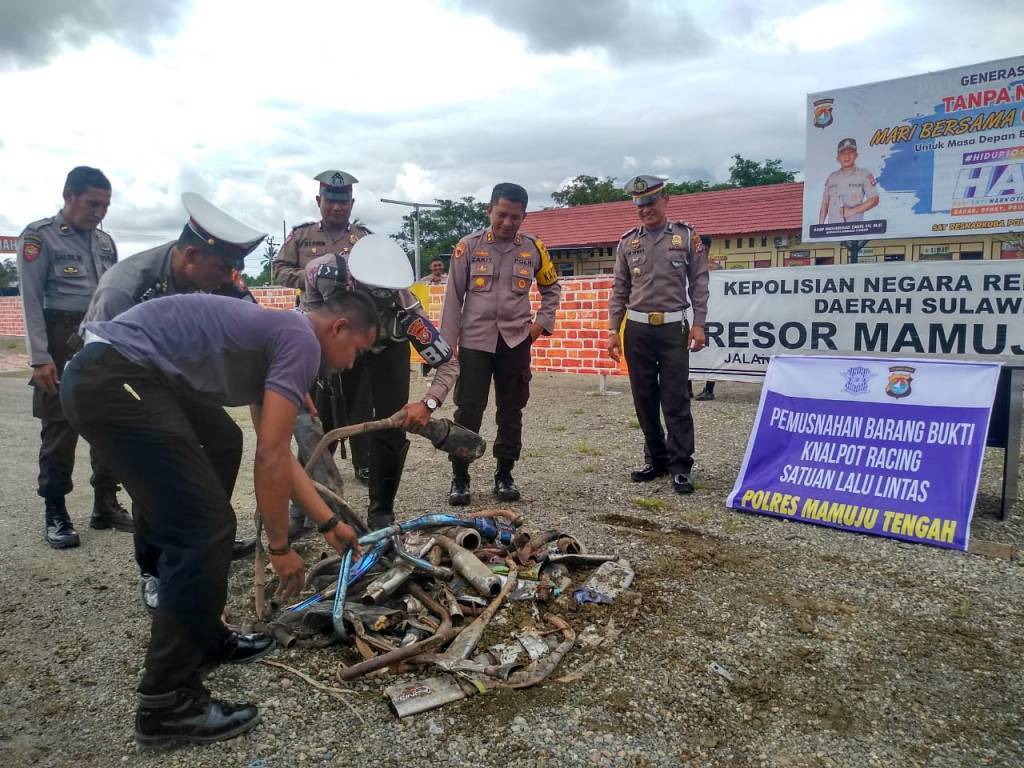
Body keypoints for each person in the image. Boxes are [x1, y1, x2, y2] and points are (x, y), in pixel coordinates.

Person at [60, 281, 374, 747]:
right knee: (206, 530)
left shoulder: (283, 337)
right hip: (113, 376)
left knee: (222, 442)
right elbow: (270, 456)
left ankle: (203, 634)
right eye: (356, 350)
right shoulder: (302, 339)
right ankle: (165, 705)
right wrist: (280, 549)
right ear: (339, 326)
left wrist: (328, 522)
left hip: (126, 373)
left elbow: (280, 455)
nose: (350, 363)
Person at [81, 193, 265, 613]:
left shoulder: (211, 277)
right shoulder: (125, 285)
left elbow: (248, 315)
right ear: (192, 255)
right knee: (156, 463)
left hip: (172, 375)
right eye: (221, 269)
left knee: (225, 439)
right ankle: (154, 565)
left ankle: (203, 532)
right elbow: (101, 358)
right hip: (120, 380)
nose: (225, 279)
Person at [302, 235, 459, 529]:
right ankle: (306, 506)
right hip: (338, 341)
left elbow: (448, 363)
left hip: (388, 349)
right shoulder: (322, 273)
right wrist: (308, 377)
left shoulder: (406, 311)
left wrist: (427, 404)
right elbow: (307, 325)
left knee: (394, 420)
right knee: (324, 420)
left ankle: (381, 511)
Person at [16, 166, 131, 549]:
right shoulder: (39, 237)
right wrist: (39, 357)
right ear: (69, 196)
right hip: (58, 341)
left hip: (100, 340)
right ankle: (55, 510)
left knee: (109, 424)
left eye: (106, 205)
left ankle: (105, 503)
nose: (99, 212)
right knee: (59, 429)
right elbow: (31, 301)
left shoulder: (105, 242)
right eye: (92, 203)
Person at [440, 182, 561, 505]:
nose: (508, 223)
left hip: (515, 341)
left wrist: (540, 325)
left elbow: (552, 289)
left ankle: (504, 474)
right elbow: (453, 297)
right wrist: (448, 344)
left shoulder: (533, 249)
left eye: (516, 217)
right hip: (475, 342)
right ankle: (460, 477)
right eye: (502, 215)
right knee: (468, 410)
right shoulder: (469, 246)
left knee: (511, 410)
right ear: (489, 210)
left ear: (524, 216)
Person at [273, 170, 373, 529]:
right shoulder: (302, 236)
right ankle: (304, 505)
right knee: (311, 422)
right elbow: (279, 270)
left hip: (351, 337)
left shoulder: (363, 238)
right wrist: (315, 275)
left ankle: (363, 466)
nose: (336, 206)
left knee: (361, 407)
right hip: (312, 336)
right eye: (330, 200)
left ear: (351, 204)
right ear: (319, 202)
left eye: (343, 200)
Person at [606, 175, 709, 495]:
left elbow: (699, 282)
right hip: (636, 330)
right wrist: (612, 330)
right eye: (640, 205)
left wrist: (699, 322)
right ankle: (656, 458)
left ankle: (681, 466)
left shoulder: (686, 236)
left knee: (676, 398)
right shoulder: (627, 242)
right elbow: (620, 288)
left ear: (665, 200)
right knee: (644, 399)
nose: (645, 210)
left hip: (672, 327)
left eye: (651, 202)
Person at [818, 138, 879, 225]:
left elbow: (874, 199)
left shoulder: (865, 174)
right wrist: (820, 226)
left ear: (856, 155)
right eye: (843, 153)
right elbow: (825, 203)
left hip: (855, 229)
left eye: (850, 153)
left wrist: (852, 211)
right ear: (838, 158)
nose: (847, 156)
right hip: (833, 230)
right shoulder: (832, 177)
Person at [694, 235, 718, 401]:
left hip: (715, 313)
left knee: (714, 351)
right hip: (693, 314)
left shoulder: (715, 268)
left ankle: (709, 388)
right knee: (687, 351)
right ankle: (686, 388)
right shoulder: (689, 267)